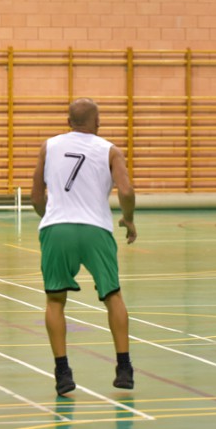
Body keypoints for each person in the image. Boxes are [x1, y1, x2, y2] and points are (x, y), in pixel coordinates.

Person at [31, 97, 137, 396]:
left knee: (55, 300)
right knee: (112, 295)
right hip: (96, 230)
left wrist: (51, 218)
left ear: (68, 122)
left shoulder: (49, 146)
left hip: (57, 228)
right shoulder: (110, 150)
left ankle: (62, 373)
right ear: (98, 122)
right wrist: (128, 219)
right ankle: (124, 368)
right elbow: (126, 190)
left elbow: (36, 196)